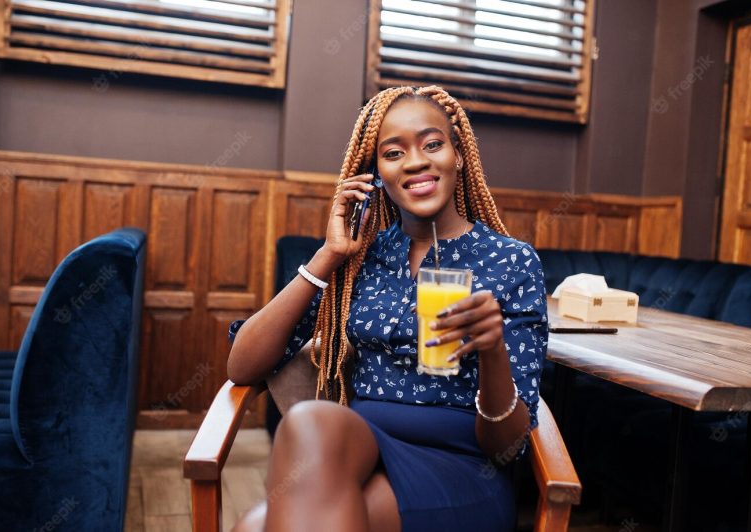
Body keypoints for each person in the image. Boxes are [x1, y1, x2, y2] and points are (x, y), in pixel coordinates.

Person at [227, 85, 547, 531]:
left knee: (255, 526)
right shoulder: (361, 256)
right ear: (375, 172)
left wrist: (492, 350)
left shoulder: (512, 262)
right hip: (360, 448)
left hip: (459, 466)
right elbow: (242, 365)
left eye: (432, 144)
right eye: (393, 153)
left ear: (457, 152)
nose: (415, 162)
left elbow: (507, 446)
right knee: (310, 419)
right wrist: (329, 255)